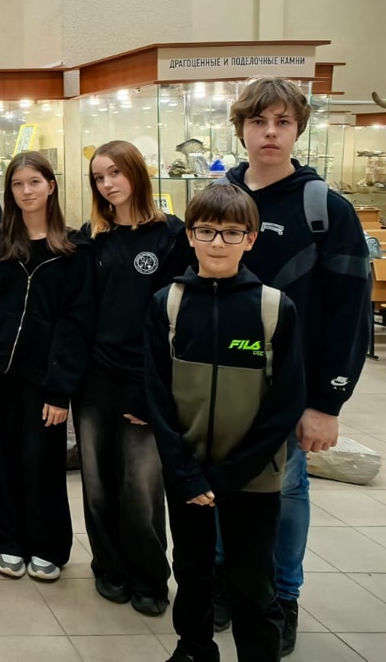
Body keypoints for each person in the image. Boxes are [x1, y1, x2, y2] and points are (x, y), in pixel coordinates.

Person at [220, 77, 372, 654]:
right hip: (218, 384)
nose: (270, 133)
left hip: (288, 389)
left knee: (284, 493)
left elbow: (350, 313)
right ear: (241, 129)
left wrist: (326, 403)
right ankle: (222, 584)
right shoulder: (220, 199)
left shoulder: (325, 209)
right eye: (259, 122)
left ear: (298, 130)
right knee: (216, 487)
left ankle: (281, 597)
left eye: (282, 122)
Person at [144, 183, 305, 662]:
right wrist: (185, 471)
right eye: (206, 231)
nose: (218, 243)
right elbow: (156, 394)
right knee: (192, 570)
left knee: (253, 580)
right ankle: (193, 649)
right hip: (187, 472)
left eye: (232, 233)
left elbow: (286, 402)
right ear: (190, 236)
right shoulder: (167, 304)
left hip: (252, 477)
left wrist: (231, 475)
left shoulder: (274, 308)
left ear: (250, 239)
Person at [0, 151, 92, 584]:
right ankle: (9, 542)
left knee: (42, 461)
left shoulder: (73, 250)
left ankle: (48, 546)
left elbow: (76, 324)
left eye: (34, 182)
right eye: (17, 184)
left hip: (45, 376)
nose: (26, 191)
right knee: (1, 459)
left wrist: (61, 389)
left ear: (51, 186)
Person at [77, 140, 194, 616]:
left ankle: (149, 578)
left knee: (141, 488)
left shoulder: (172, 236)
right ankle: (109, 567)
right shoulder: (93, 237)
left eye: (115, 173)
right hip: (95, 379)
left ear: (136, 173)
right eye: (99, 177)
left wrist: (157, 389)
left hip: (145, 379)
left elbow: (179, 321)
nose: (108, 184)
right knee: (98, 483)